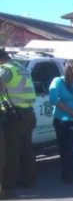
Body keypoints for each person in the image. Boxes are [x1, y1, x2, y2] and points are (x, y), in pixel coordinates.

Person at [0, 47, 37, 191]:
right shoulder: (21, 67)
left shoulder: (6, 69)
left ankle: (8, 187)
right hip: (27, 114)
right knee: (26, 148)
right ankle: (29, 180)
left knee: (11, 152)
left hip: (14, 116)